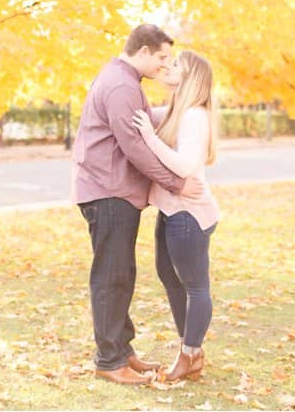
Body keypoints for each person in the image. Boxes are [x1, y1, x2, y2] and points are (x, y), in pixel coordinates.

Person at [71, 24, 205, 386]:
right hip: (108, 193)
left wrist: (189, 104)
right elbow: (135, 146)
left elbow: (149, 123)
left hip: (115, 192)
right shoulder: (120, 85)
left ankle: (121, 350)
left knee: (121, 274)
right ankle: (109, 361)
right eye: (161, 57)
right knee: (111, 277)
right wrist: (176, 183)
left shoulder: (126, 84)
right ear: (143, 51)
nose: (165, 65)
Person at [132, 50, 220, 383]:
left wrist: (150, 138)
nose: (170, 66)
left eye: (177, 64)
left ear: (191, 76)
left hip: (189, 215)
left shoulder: (194, 116)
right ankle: (192, 349)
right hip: (172, 209)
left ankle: (189, 354)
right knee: (168, 275)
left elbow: (184, 167)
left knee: (195, 286)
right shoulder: (178, 111)